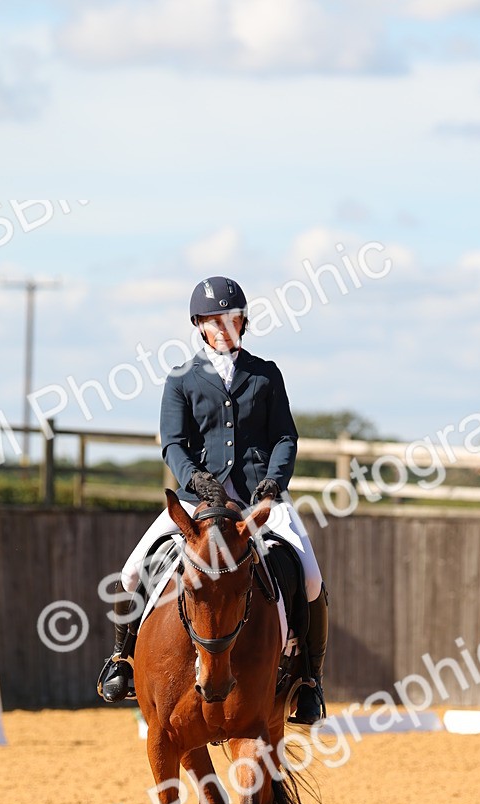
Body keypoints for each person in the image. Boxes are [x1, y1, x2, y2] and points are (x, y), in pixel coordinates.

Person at [96, 275, 329, 725]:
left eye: (230, 318)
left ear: (243, 322)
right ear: (199, 325)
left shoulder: (266, 374)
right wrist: (196, 479)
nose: (223, 327)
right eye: (212, 320)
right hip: (199, 502)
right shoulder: (182, 378)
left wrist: (273, 484)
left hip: (260, 500)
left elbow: (285, 436)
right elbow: (173, 444)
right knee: (130, 572)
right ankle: (120, 661)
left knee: (312, 578)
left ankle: (310, 683)